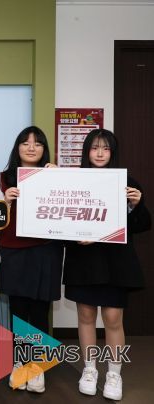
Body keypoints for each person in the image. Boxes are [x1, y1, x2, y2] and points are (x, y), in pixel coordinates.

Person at [63, 129, 151, 401]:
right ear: (86, 151)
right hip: (84, 261)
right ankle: (89, 370)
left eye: (105, 148)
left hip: (116, 264)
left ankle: (114, 373)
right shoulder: (73, 181)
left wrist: (136, 205)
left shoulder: (126, 183)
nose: (100, 153)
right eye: (94, 148)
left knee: (113, 319)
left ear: (113, 152)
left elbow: (143, 224)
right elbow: (61, 220)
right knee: (86, 317)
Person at [0, 126, 63, 394]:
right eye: (25, 143)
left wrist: (59, 179)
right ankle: (19, 362)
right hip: (14, 251)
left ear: (44, 149)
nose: (31, 148)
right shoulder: (3, 179)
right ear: (17, 148)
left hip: (46, 250)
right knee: (18, 310)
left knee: (40, 310)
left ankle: (37, 367)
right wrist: (6, 202)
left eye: (37, 143)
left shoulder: (55, 176)